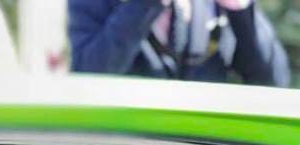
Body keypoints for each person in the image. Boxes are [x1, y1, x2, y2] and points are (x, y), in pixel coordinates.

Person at [69, 0, 290, 85]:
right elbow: (87, 72)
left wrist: (239, 10)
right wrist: (143, 7)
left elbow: (275, 81)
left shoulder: (214, 6)